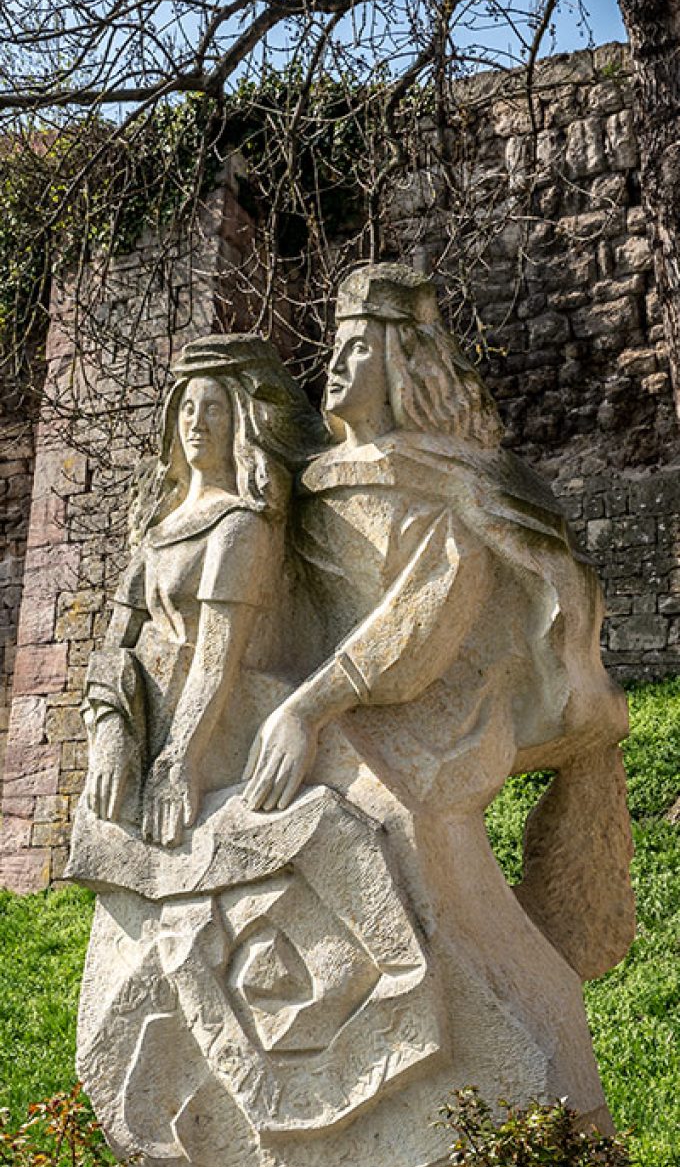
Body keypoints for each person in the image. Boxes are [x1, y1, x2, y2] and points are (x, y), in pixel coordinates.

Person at [243, 262, 634, 978]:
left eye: (359, 347)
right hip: (336, 705)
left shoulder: (454, 483)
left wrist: (307, 708)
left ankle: (415, 989)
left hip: (447, 716)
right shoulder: (309, 485)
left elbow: (420, 619)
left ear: (401, 362)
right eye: (336, 346)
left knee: (365, 808)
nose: (336, 364)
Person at [82, 334, 319, 846]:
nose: (197, 422)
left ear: (237, 423)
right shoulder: (157, 531)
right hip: (145, 725)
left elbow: (216, 658)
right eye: (187, 408)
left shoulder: (240, 526)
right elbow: (114, 647)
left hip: (215, 736)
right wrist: (110, 729)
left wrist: (178, 760)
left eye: (213, 409)